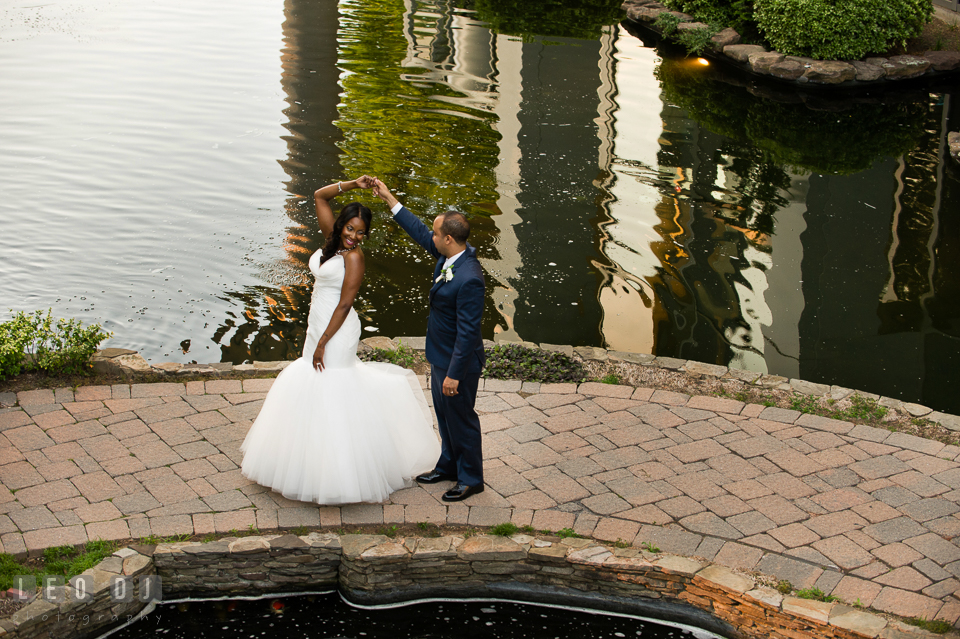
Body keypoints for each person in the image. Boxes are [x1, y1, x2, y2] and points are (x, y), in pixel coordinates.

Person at [239, 176, 440, 505]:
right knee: (313, 381)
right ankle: (307, 459)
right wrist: (354, 184)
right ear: (342, 224)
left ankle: (340, 470)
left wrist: (323, 342)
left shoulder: (355, 258)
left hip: (338, 328)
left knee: (333, 384)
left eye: (361, 233)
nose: (354, 237)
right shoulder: (331, 239)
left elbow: (345, 305)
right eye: (350, 229)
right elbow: (319, 195)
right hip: (317, 322)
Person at [372, 178, 486, 502]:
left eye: (436, 234)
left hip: (457, 363)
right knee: (444, 415)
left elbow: (467, 333)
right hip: (440, 354)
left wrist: (453, 373)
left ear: (448, 238)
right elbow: (420, 231)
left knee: (461, 418)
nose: (431, 237)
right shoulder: (449, 258)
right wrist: (389, 198)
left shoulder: (469, 278)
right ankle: (449, 465)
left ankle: (471, 478)